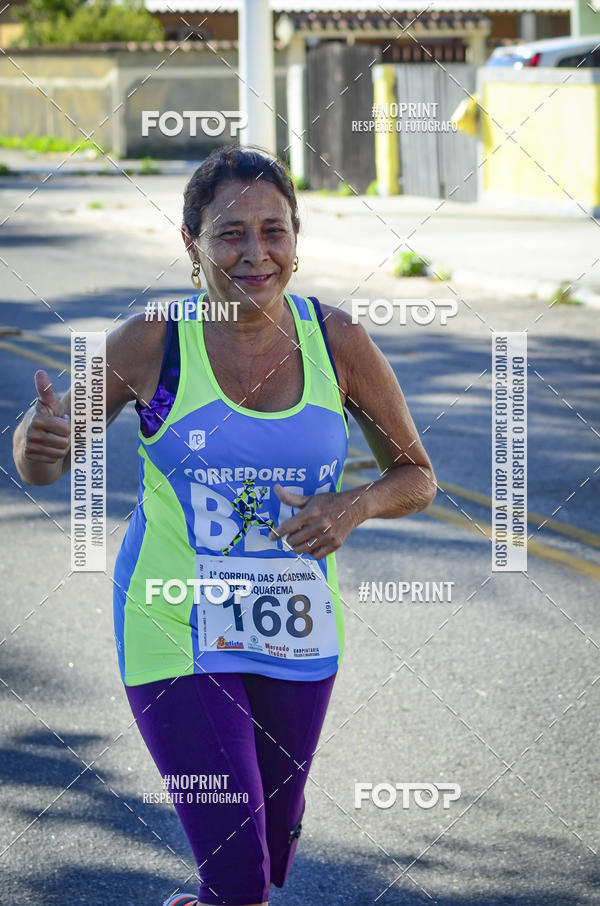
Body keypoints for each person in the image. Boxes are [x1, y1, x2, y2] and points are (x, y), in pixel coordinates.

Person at [12, 145, 437, 906]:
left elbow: (417, 475)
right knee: (237, 871)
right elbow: (43, 463)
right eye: (230, 233)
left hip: (295, 627)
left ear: (296, 241)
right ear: (192, 244)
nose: (255, 252)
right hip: (174, 619)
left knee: (271, 851)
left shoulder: (337, 341)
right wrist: (35, 443)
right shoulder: (152, 341)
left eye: (273, 231)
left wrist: (356, 504)